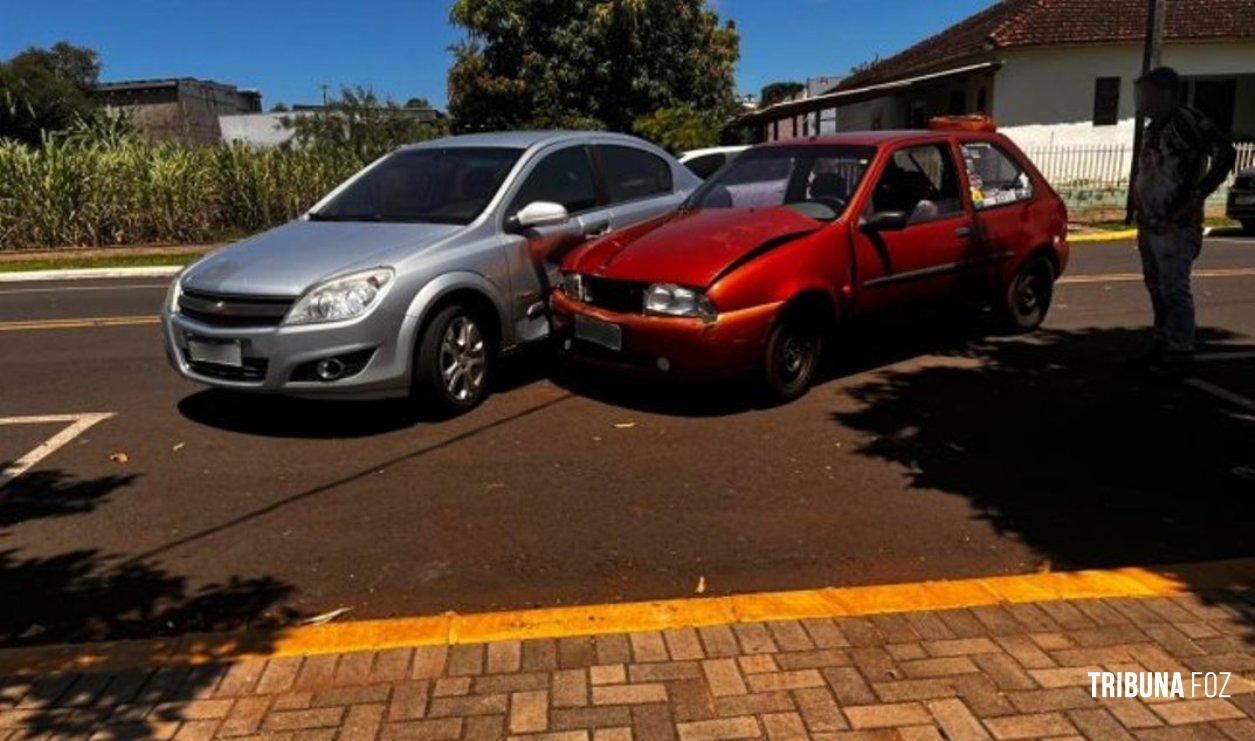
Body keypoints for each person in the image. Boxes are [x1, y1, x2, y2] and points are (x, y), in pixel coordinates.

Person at [1131, 66, 1236, 366]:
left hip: (1176, 223)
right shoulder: (1154, 128)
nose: (1141, 101)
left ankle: (1181, 350)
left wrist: (1196, 196)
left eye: (1146, 94)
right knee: (1155, 284)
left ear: (1164, 95)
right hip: (1151, 221)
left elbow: (1224, 152)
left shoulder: (1186, 121)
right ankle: (1162, 339)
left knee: (1174, 288)